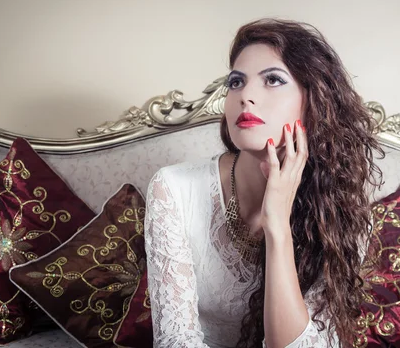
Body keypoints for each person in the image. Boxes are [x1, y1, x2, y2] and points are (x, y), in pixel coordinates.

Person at [145, 19, 384, 348]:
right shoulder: (173, 188)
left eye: (272, 79)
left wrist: (278, 227)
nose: (246, 96)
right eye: (236, 82)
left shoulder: (342, 214)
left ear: (314, 103)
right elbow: (176, 342)